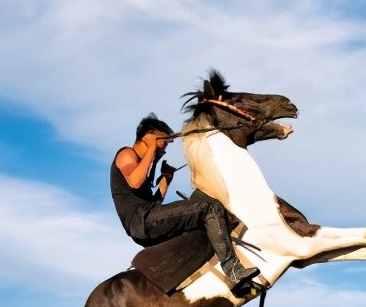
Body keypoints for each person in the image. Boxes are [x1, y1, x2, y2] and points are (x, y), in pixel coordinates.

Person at [111, 114, 260, 291]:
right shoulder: (127, 154)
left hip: (147, 220)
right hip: (141, 222)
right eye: (163, 143)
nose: (163, 149)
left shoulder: (143, 166)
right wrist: (152, 148)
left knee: (201, 200)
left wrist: (166, 178)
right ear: (149, 135)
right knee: (209, 206)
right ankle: (233, 270)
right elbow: (134, 182)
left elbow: (154, 203)